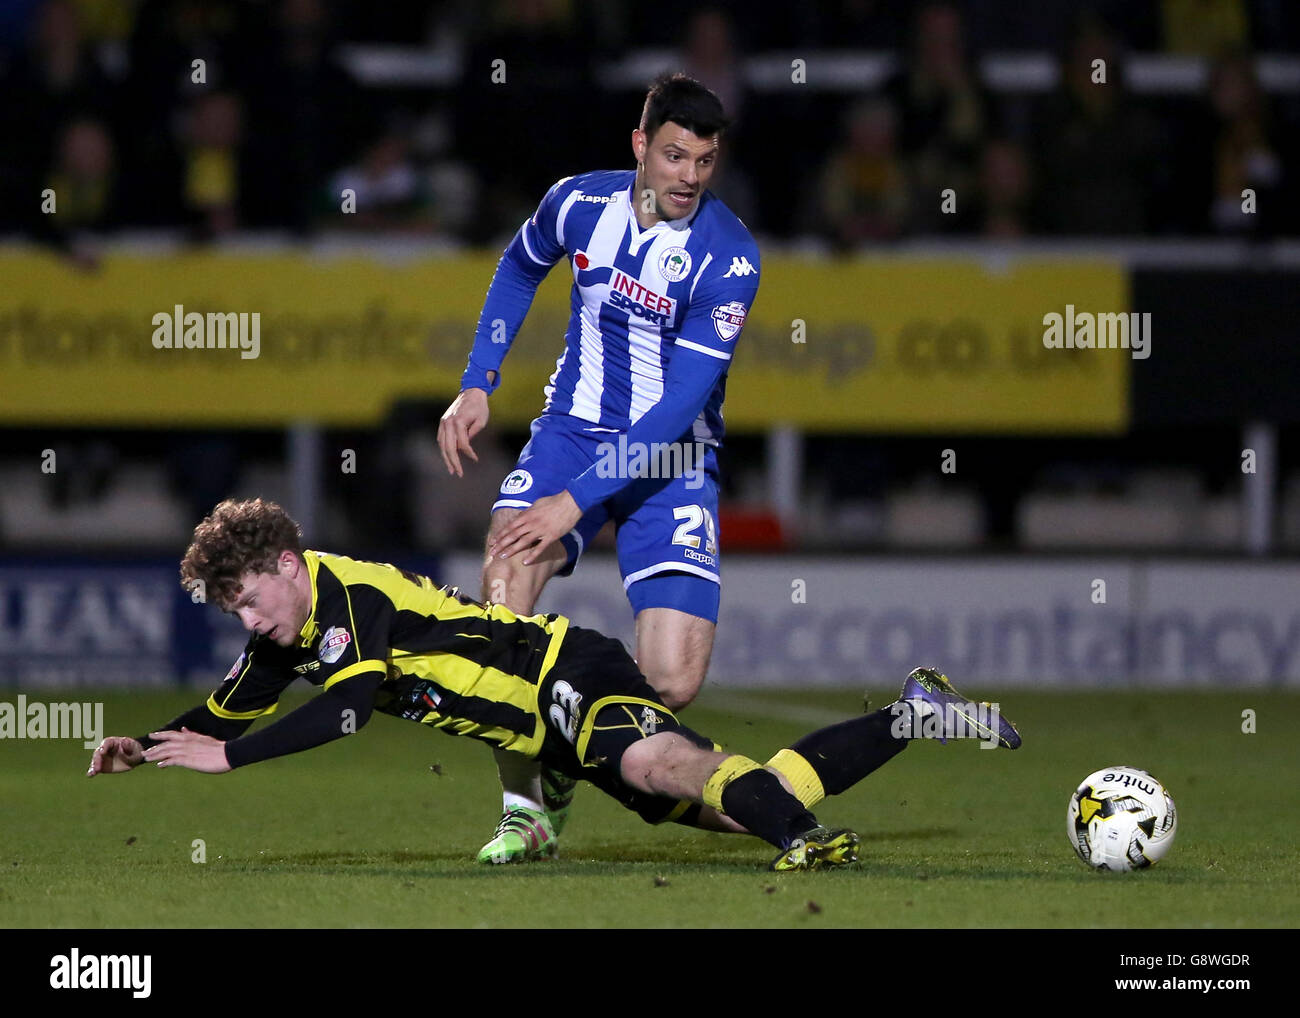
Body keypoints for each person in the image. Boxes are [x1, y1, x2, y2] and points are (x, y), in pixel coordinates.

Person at [86, 499, 1022, 872]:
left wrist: (233, 761)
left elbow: (344, 712)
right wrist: (153, 741)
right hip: (544, 725)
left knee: (663, 764)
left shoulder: (348, 594)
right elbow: (229, 705)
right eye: (234, 613)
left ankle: (809, 845)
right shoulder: (290, 625)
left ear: (287, 564)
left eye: (249, 600)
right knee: (735, 800)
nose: (248, 622)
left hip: (564, 673)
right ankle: (914, 713)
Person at [437, 72, 762, 862]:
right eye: (676, 156)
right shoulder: (577, 204)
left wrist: (574, 503)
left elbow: (676, 406)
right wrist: (478, 381)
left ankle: (565, 741)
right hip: (572, 433)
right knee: (505, 590)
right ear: (640, 146)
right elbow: (519, 267)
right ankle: (527, 808)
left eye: (705, 162)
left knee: (674, 682)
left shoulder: (731, 258)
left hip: (674, 457)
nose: (689, 177)